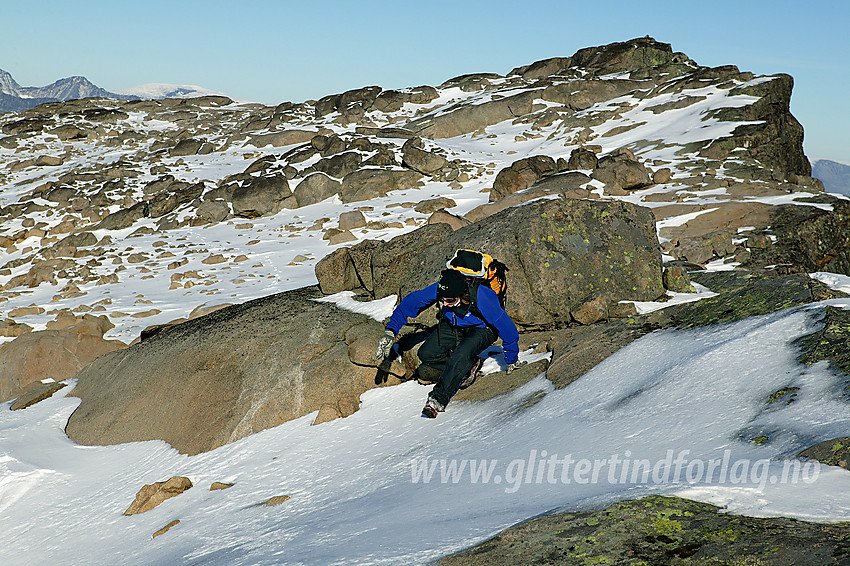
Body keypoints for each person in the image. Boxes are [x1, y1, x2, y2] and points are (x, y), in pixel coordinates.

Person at [375, 268, 525, 418]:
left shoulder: (483, 296)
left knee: (459, 356)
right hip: (454, 325)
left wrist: (512, 359)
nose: (445, 304)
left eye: (450, 300)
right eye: (442, 300)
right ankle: (468, 366)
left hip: (482, 329)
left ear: (462, 293)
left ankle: (437, 400)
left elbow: (508, 329)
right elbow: (411, 302)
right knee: (426, 353)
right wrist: (390, 331)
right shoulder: (443, 287)